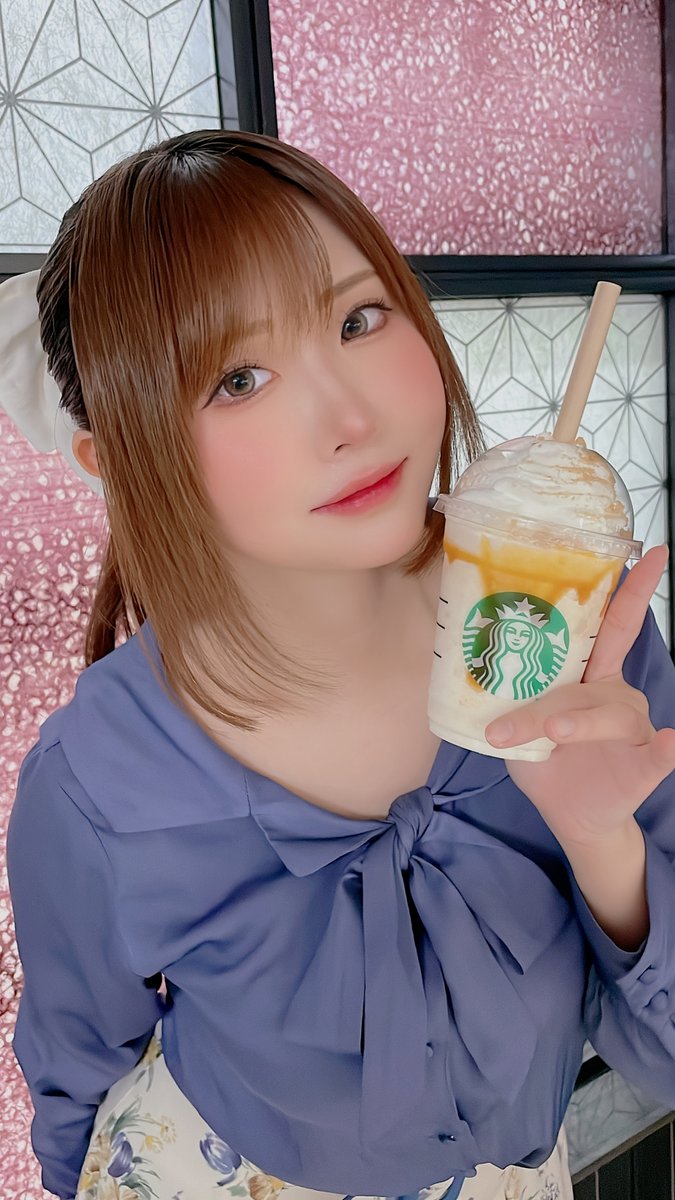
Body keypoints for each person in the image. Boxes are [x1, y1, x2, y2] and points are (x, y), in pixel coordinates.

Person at [2, 129, 675, 1200]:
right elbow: (76, 1084)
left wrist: (605, 851)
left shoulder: (573, 633)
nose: (352, 419)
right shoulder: (90, 786)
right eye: (238, 378)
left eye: (359, 319)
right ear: (115, 461)